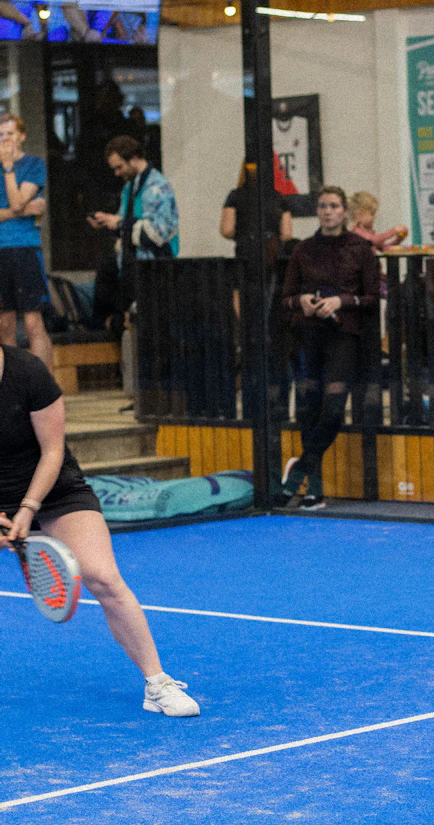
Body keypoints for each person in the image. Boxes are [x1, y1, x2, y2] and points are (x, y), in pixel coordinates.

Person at [0, 344, 199, 716]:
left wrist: (28, 508)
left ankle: (157, 684)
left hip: (54, 491)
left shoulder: (27, 372)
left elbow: (52, 451)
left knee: (103, 577)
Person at [280, 186, 380, 508]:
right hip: (307, 333)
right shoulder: (303, 250)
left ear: (345, 211)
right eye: (322, 206)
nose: (327, 211)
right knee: (309, 409)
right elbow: (286, 297)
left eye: (334, 206)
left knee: (334, 407)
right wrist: (302, 302)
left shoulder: (361, 249)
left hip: (343, 333)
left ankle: (300, 470)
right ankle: (313, 489)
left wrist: (342, 300)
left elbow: (373, 298)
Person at [88, 135, 179, 332]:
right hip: (131, 268)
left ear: (134, 158)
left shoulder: (157, 187)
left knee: (147, 329)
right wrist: (106, 222)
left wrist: (119, 223)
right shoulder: (130, 187)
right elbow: (124, 224)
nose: (116, 173)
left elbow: (157, 234)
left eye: (119, 167)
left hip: (154, 270)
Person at [0, 114, 53, 371]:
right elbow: (21, 206)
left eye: (9, 134)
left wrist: (8, 168)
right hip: (1, 250)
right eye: (0, 135)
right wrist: (19, 211)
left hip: (25, 248)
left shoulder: (33, 164)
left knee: (33, 322)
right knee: (5, 323)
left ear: (21, 136)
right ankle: (11, 392)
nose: (5, 140)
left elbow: (18, 200)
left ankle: (47, 392)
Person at [220, 161, 293, 265]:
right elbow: (286, 233)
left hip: (245, 252)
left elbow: (227, 230)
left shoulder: (235, 196)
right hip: (272, 253)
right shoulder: (277, 197)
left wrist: (243, 234)